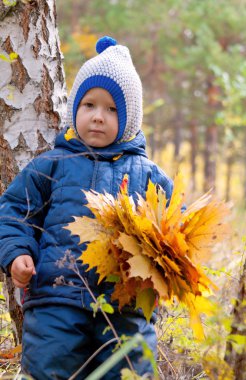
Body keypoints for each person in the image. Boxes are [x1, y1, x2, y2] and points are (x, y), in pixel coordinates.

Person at [0, 36, 174, 379]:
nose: (98, 117)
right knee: (49, 369)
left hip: (126, 309)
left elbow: (171, 235)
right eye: (89, 105)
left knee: (129, 371)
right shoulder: (51, 165)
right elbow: (14, 211)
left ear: (130, 119)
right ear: (74, 109)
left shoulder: (149, 176)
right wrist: (16, 252)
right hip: (56, 300)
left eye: (112, 110)